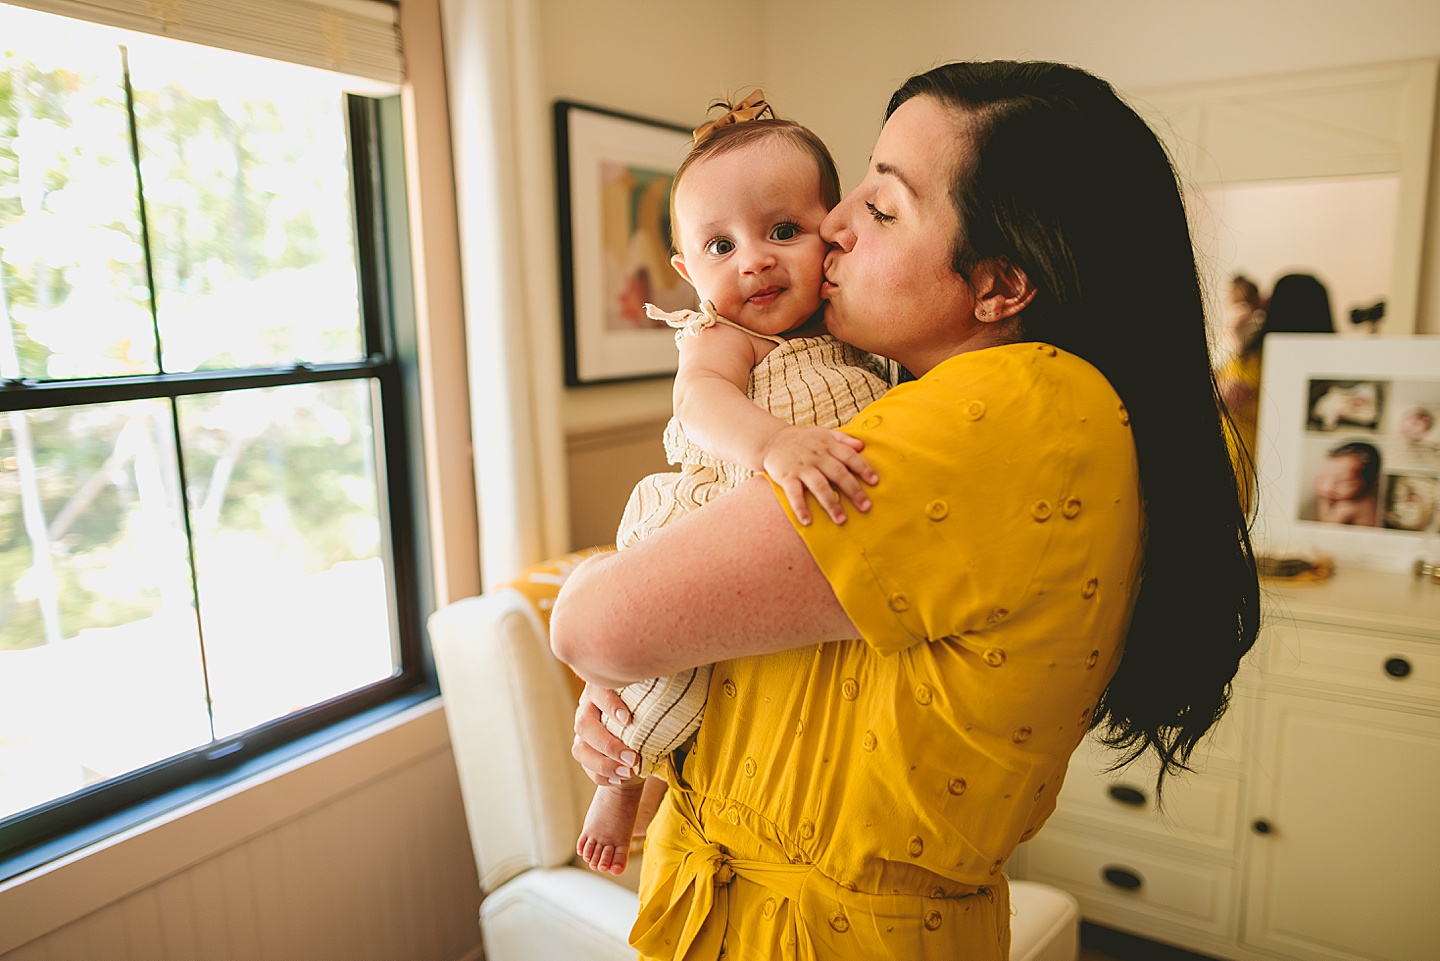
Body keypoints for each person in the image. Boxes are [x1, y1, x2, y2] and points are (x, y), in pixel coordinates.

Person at [552, 61, 1259, 960]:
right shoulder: (925, 398)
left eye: (881, 208)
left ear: (1000, 285)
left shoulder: (1005, 411)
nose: (833, 225)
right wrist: (643, 709)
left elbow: (587, 623)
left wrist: (612, 631)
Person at [577, 91, 891, 878]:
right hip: (711, 504)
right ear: (686, 272)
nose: (753, 258)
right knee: (672, 675)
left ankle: (655, 781)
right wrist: (775, 444)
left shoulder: (856, 337)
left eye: (783, 231)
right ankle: (620, 787)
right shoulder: (726, 333)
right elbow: (701, 402)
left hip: (800, 536)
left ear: (834, 233)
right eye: (719, 246)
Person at [1216, 271, 1335, 455]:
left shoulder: (1260, 358)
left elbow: (1223, 398)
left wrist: (1235, 337)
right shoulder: (1327, 361)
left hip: (1246, 452)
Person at [1313, 440, 1381, 526]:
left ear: (1371, 482)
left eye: (1343, 482)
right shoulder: (1369, 499)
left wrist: (1323, 498)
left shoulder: (1348, 508)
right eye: (1325, 477)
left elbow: (1326, 525)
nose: (1330, 487)